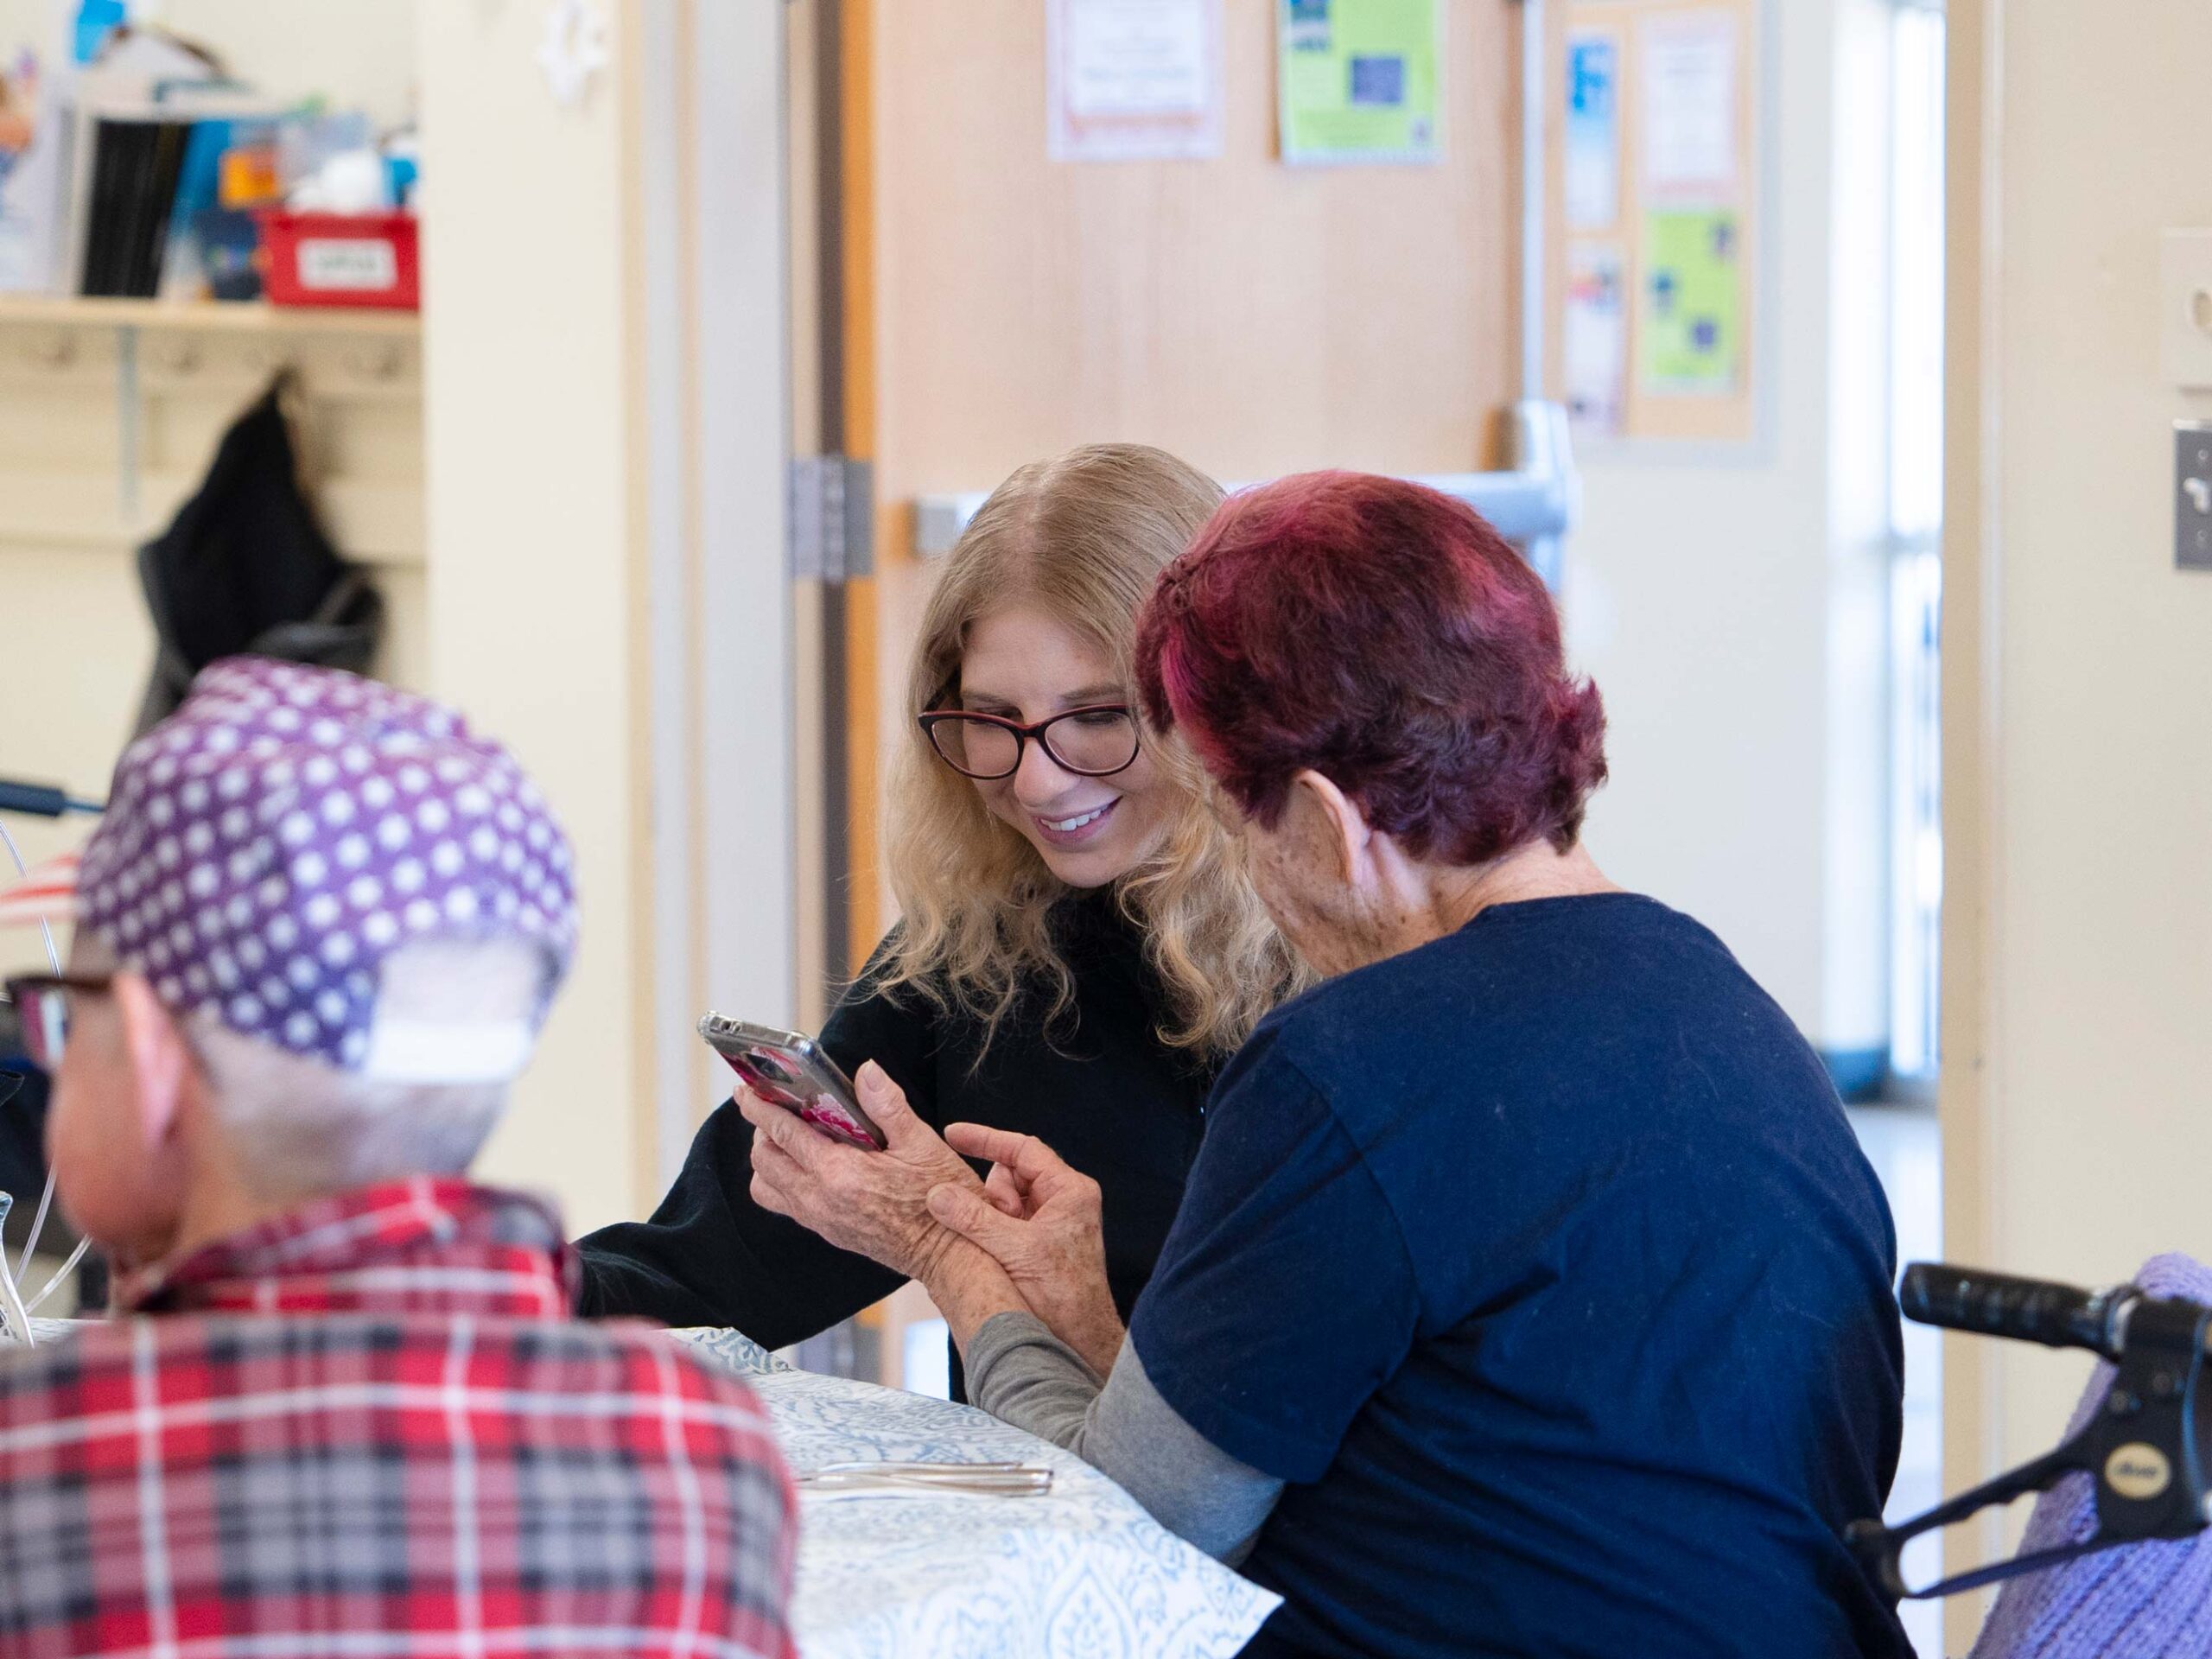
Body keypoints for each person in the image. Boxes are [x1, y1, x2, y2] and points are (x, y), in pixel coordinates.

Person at [747, 473, 1914, 1656]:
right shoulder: (1730, 1011)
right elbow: (1471, 1451)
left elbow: (1129, 1538)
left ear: (1322, 817)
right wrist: (1102, 1327)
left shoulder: (1351, 1068)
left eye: (1233, 815)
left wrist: (951, 1253)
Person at [0, 659, 797, 1659]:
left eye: (64, 1011)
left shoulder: (35, 1463)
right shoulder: (704, 1456)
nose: (44, 1045)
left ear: (155, 1064)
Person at [575, 444, 1301, 1388]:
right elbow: (706, 1277)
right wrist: (435, 1286)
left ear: (1215, 705)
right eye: (991, 718)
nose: (1038, 780)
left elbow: (1259, 1452)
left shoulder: (1352, 965)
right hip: (1049, 1518)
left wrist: (941, 1242)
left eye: (1098, 715)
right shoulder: (984, 952)